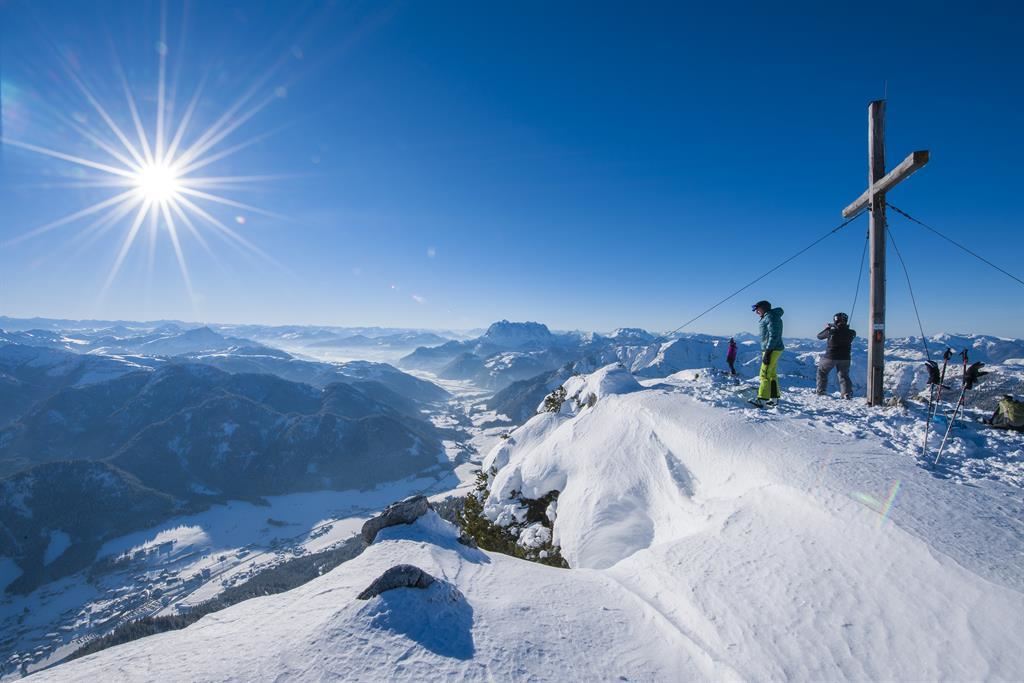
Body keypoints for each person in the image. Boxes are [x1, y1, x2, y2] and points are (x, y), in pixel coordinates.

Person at [750, 300, 783, 407]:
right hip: (774, 348)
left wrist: (768, 352)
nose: (756, 312)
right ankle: (774, 399)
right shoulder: (770, 316)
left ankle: (762, 400)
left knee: (764, 374)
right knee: (772, 374)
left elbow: (774, 335)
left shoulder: (770, 317)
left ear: (763, 308)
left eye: (757, 309)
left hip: (771, 349)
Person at [816, 312, 856, 399]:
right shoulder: (852, 332)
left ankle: (821, 391)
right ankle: (846, 393)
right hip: (845, 358)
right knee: (844, 375)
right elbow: (847, 333)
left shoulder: (831, 331)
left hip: (830, 357)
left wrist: (828, 328)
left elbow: (819, 336)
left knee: (822, 372)